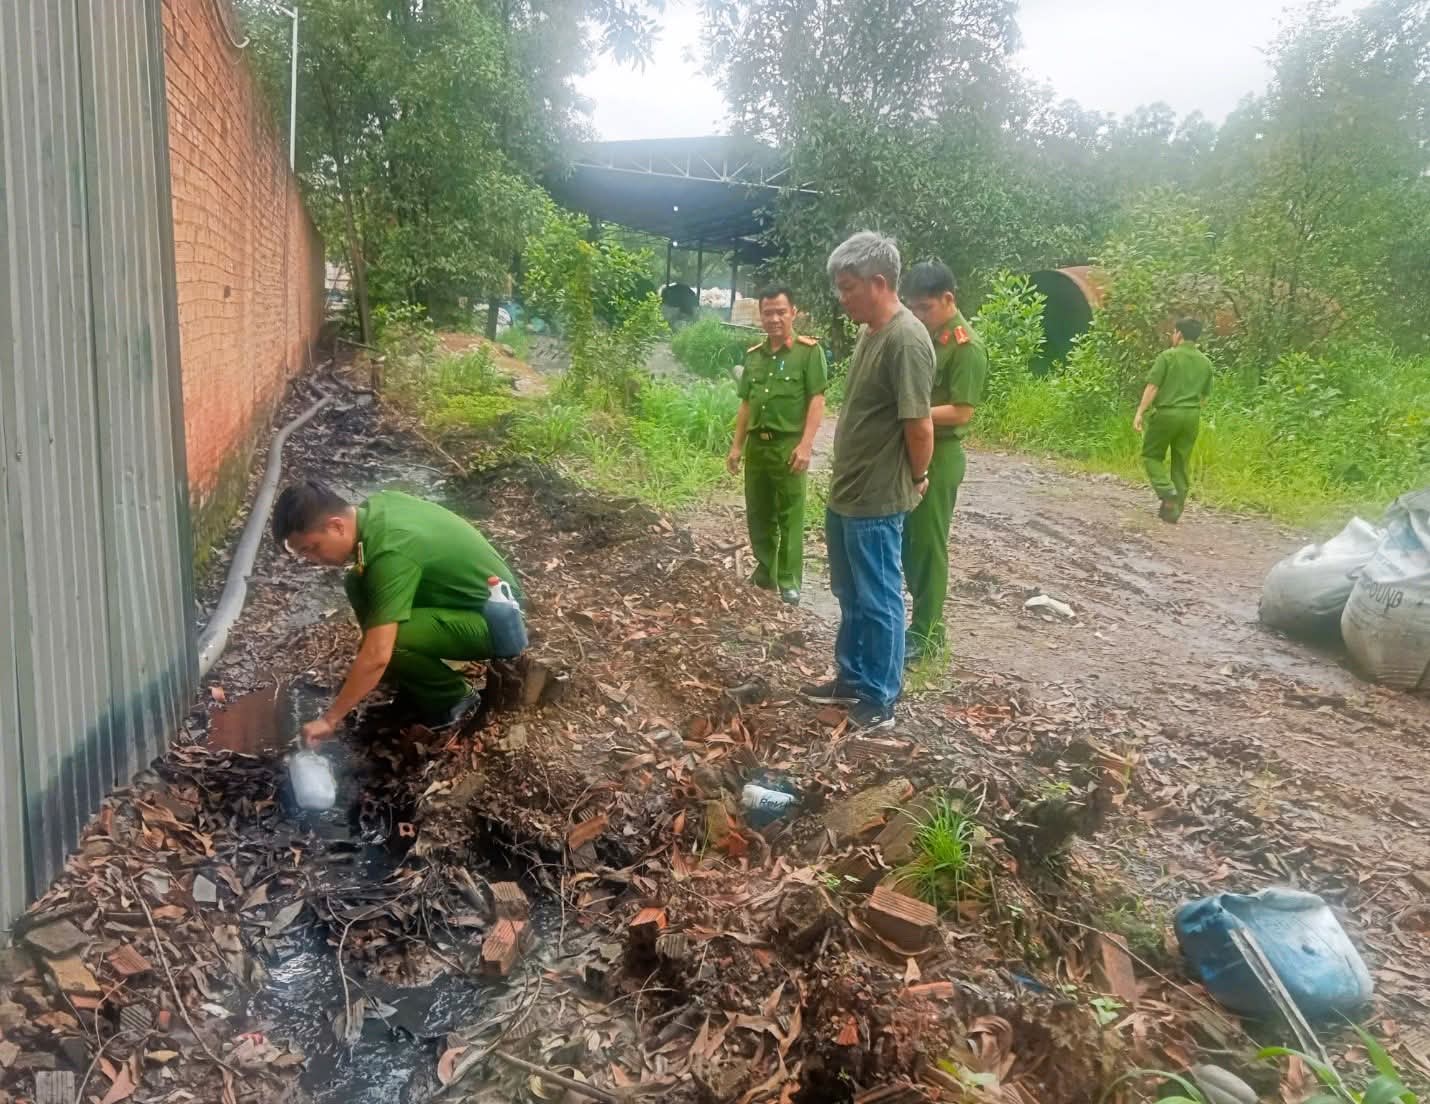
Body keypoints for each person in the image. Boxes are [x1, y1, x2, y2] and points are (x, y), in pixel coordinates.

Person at [802, 231, 935, 730]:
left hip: (878, 497)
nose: (842, 297)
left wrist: (918, 477)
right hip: (848, 491)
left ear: (878, 283)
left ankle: (881, 698)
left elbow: (919, 425)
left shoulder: (906, 339)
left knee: (879, 596)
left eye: (848, 287)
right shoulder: (869, 332)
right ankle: (852, 676)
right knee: (849, 591)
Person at [271, 481, 523, 745]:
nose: (313, 559)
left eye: (312, 548)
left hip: (499, 619)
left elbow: (379, 653)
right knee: (357, 581)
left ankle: (455, 698)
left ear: (336, 525)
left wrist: (330, 719)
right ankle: (413, 681)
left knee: (392, 643)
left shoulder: (391, 550)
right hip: (465, 601)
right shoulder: (376, 508)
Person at [901, 261, 988, 662]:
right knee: (905, 543)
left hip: (941, 453)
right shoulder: (924, 337)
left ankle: (928, 633)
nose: (918, 315)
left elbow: (962, 411)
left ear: (948, 299)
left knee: (928, 546)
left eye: (925, 308)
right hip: (911, 448)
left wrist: (913, 413)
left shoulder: (965, 345)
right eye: (913, 308)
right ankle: (918, 623)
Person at [727, 287, 828, 605]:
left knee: (790, 515)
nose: (774, 318)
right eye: (768, 312)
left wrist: (806, 445)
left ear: (793, 313)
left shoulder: (808, 353)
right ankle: (765, 570)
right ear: (760, 316)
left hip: (789, 446)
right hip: (758, 447)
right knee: (759, 512)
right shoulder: (754, 356)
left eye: (780, 312)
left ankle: (789, 579)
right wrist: (736, 446)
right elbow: (746, 404)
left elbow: (817, 399)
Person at [1134, 318, 1214, 523]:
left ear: (1178, 334)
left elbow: (1153, 387)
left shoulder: (1167, 356)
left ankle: (1166, 490)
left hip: (1167, 413)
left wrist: (1140, 412)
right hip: (1192, 417)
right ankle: (1174, 511)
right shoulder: (1205, 362)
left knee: (1151, 455)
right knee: (1181, 462)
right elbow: (1204, 397)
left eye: (1173, 332)